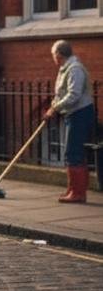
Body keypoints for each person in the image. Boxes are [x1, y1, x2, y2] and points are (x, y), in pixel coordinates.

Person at [44, 40, 96, 204]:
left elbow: (74, 95)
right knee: (72, 152)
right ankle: (73, 189)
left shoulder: (75, 69)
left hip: (80, 114)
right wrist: (53, 106)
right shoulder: (64, 69)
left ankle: (78, 193)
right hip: (72, 114)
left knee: (73, 152)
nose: (53, 58)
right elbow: (61, 93)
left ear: (58, 55)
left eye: (53, 55)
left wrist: (56, 108)